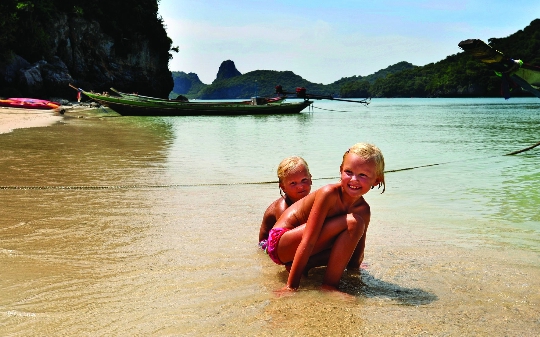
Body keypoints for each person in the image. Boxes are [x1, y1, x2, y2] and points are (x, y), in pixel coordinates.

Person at [267, 143, 385, 293]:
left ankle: (309, 267)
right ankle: (329, 286)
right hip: (280, 243)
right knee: (353, 223)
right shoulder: (329, 194)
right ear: (340, 171)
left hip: (300, 247)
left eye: (363, 175)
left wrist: (355, 275)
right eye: (349, 172)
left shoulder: (364, 210)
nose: (354, 179)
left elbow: (356, 252)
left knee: (349, 238)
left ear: (376, 180)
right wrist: (291, 286)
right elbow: (308, 240)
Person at [259, 156, 312, 250]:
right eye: (293, 183)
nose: (300, 187)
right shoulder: (282, 208)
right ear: (283, 187)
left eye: (304, 180)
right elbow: (288, 238)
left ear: (311, 179)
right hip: (269, 245)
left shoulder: (311, 200)